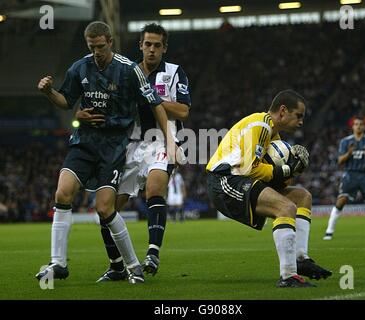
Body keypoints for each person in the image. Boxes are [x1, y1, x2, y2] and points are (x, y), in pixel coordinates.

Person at [35, 21, 179, 285]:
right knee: (62, 193)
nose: (97, 52)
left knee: (104, 208)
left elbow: (156, 104)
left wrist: (170, 141)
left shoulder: (129, 70)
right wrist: (48, 92)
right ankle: (58, 263)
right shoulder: (80, 67)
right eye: (92, 47)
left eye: (101, 47)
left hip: (114, 148)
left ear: (110, 42)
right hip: (84, 143)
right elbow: (66, 101)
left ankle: (132, 266)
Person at [76, 23, 191, 281]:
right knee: (106, 207)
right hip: (128, 143)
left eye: (157, 45)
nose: (151, 50)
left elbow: (183, 111)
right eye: (147, 44)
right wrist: (79, 114)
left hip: (162, 138)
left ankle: (152, 252)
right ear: (140, 45)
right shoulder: (126, 72)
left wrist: (152, 99)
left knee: (154, 187)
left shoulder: (173, 73)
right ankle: (116, 265)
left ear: (164, 48)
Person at [206, 90, 332, 287]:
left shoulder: (274, 135)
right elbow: (251, 168)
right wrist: (287, 168)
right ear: (283, 111)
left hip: (241, 178)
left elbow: (280, 182)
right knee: (285, 207)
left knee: (301, 197)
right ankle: (288, 276)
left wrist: (293, 171)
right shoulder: (260, 124)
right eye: (298, 115)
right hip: (225, 180)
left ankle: (300, 260)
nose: (301, 122)